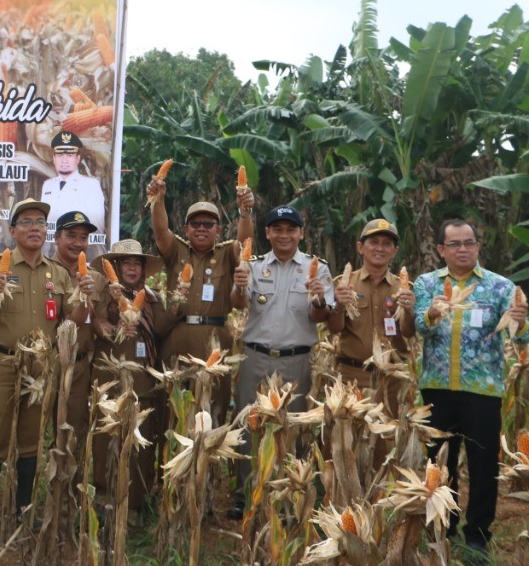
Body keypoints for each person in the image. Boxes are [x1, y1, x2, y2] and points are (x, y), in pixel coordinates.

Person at [0, 198, 92, 538]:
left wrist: (83, 297)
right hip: (2, 362)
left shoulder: (58, 273)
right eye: (26, 222)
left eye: (40, 222)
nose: (35, 227)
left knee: (30, 441)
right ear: (12, 231)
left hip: (41, 367)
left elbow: (73, 322)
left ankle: (24, 512)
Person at [414, 219, 528, 560]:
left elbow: (520, 337)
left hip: (482, 392)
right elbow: (420, 326)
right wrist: (433, 313)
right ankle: (442, 529)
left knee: (483, 466)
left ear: (478, 247)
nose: (462, 249)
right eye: (455, 244)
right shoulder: (427, 283)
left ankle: (477, 537)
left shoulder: (500, 287)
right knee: (439, 463)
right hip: (437, 390)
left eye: (469, 243)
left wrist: (522, 320)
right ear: (441, 250)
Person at [228, 205, 333, 518]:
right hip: (255, 357)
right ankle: (244, 493)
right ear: (267, 233)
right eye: (278, 229)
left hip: (295, 360)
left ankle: (290, 495)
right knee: (248, 424)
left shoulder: (317, 269)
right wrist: (240, 284)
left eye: (291, 229)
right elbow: (238, 303)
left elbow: (322, 315)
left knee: (294, 427)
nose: (284, 235)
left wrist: (317, 299)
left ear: (300, 233)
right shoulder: (254, 266)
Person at [146, 175, 255, 424]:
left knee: (212, 411)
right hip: (178, 337)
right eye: (195, 224)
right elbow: (161, 230)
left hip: (215, 342)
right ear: (186, 229)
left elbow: (245, 241)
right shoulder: (177, 250)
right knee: (173, 413)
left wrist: (245, 212)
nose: (202, 228)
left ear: (218, 229)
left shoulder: (227, 252)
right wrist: (158, 200)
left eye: (208, 224)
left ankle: (210, 464)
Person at [93, 239, 177, 515]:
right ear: (116, 266)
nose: (131, 268)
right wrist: (113, 313)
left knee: (140, 434)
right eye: (125, 263)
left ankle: (137, 500)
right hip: (112, 375)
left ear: (143, 268)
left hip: (142, 376)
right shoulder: (104, 293)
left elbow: (162, 328)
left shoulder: (151, 298)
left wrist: (178, 302)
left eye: (136, 263)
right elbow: (96, 322)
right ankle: (104, 498)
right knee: (107, 435)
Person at [328, 219, 415, 413]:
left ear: (394, 251)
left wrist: (408, 311)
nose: (380, 248)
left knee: (386, 438)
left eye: (387, 244)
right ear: (360, 247)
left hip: (391, 380)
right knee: (350, 438)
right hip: (352, 375)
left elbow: (408, 333)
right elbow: (334, 328)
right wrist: (339, 306)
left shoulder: (404, 289)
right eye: (374, 242)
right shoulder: (343, 284)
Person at [49, 212, 103, 470]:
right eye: (71, 236)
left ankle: (68, 495)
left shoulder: (97, 278)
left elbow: (103, 324)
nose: (78, 243)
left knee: (72, 434)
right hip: (46, 364)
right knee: (38, 434)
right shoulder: (44, 273)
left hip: (79, 368)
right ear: (57, 237)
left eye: (84, 237)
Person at [39, 130, 106, 232]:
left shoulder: (90, 185)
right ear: (54, 158)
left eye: (69, 155)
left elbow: (97, 226)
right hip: (50, 245)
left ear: (78, 158)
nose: (64, 160)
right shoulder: (48, 185)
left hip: (76, 245)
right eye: (60, 155)